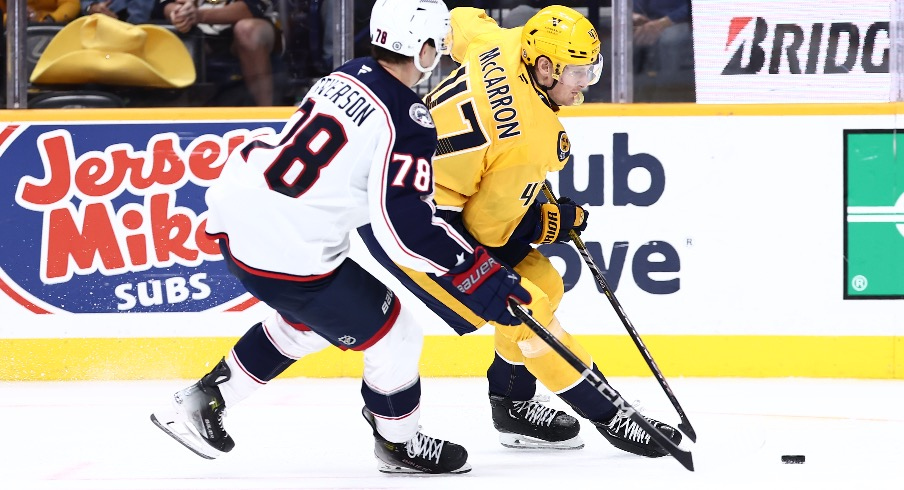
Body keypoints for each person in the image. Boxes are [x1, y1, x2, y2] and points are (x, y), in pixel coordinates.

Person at [149, 0, 530, 475]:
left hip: (242, 216)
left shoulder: (346, 73)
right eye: (440, 43)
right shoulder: (408, 115)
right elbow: (404, 229)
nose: (445, 51)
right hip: (289, 248)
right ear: (423, 47)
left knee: (310, 322)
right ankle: (398, 442)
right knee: (395, 332)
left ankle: (206, 398)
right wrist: (475, 268)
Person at [358, 5, 683, 458]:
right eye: (578, 72)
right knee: (528, 302)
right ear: (545, 67)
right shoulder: (529, 140)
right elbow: (486, 233)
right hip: (412, 222)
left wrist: (534, 207)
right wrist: (545, 222)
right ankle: (611, 414)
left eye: (593, 68)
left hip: (411, 182)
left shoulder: (502, 41)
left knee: (546, 282)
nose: (586, 82)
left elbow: (460, 20)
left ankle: (511, 403)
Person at [157, 0, 278, 105]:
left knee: (247, 30)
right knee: (173, 39)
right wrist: (177, 13)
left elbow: (253, 7)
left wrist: (199, 16)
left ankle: (268, 116)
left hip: (251, 27)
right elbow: (164, 4)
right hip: (197, 33)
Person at [633, 0, 694, 101]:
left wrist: (665, 22)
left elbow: (695, 6)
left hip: (682, 20)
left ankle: (667, 94)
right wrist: (633, 14)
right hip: (649, 20)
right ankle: (635, 96)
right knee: (626, 40)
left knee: (669, 40)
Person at [81, 0, 153, 24]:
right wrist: (91, 7)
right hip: (90, 21)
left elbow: (138, 21)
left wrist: (118, 23)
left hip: (127, 26)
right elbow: (87, 4)